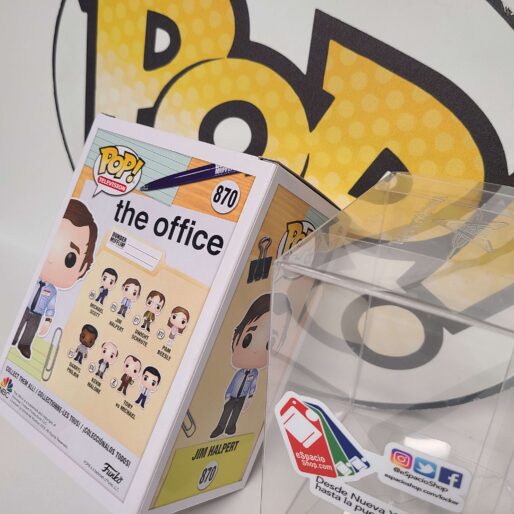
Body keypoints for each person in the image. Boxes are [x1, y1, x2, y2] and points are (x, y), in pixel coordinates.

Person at [12, 199, 97, 359]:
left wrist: (48, 321)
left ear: (82, 269)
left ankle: (24, 344)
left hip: (38, 314)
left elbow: (51, 306)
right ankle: (13, 338)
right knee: (16, 324)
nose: (51, 259)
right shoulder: (32, 278)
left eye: (70, 258)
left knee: (31, 329)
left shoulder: (51, 291)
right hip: (24, 307)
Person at [210, 294, 270, 438]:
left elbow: (253, 386)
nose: (255, 351)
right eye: (247, 340)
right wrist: (227, 395)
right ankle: (220, 427)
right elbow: (233, 383)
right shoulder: (240, 373)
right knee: (227, 410)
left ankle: (231, 427)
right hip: (233, 396)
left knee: (236, 413)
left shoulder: (255, 373)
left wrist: (249, 398)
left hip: (242, 397)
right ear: (237, 338)